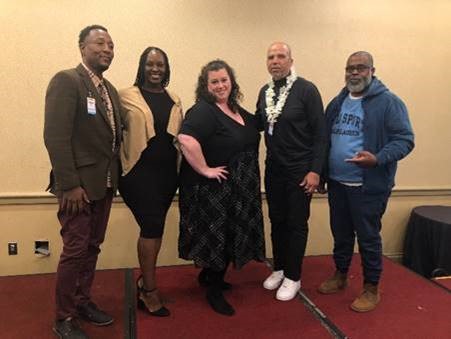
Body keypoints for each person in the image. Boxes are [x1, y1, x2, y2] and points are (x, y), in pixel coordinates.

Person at [317, 51, 414, 312]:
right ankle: (340, 275)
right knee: (341, 234)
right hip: (338, 183)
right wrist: (323, 175)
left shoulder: (389, 103)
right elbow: (326, 142)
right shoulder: (337, 103)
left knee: (368, 238)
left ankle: (371, 288)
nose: (354, 73)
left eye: (361, 68)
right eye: (350, 68)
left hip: (368, 186)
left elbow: (405, 140)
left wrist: (378, 158)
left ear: (372, 70)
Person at [44, 25, 122, 338]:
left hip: (103, 184)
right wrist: (70, 184)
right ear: (82, 47)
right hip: (77, 188)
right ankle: (63, 318)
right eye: (100, 43)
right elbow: (55, 137)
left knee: (92, 247)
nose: (107, 49)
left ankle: (82, 303)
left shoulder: (110, 90)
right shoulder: (67, 81)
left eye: (112, 45)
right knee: (75, 251)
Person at [178, 60, 265, 316]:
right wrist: (205, 169)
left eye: (224, 80)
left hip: (239, 191)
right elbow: (185, 138)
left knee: (231, 235)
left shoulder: (234, 109)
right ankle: (213, 290)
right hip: (214, 192)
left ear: (232, 81)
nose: (220, 85)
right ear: (206, 86)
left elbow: (257, 124)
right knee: (221, 239)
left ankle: (207, 276)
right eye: (214, 82)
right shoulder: (205, 110)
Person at [256, 42, 327, 301]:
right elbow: (255, 123)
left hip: (301, 171)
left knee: (296, 224)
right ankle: (280, 268)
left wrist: (315, 171)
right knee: (277, 221)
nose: (275, 61)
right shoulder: (265, 92)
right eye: (270, 56)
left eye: (280, 56)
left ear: (290, 60)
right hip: (274, 169)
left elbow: (321, 135)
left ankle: (294, 277)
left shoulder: (307, 90)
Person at [118, 47, 183, 317]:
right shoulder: (124, 96)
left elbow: (181, 138)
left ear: (166, 68)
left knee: (155, 228)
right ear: (141, 66)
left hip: (168, 174)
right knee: (151, 226)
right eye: (150, 64)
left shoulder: (175, 98)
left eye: (160, 65)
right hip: (137, 174)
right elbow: (108, 130)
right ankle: (149, 291)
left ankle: (146, 281)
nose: (155, 69)